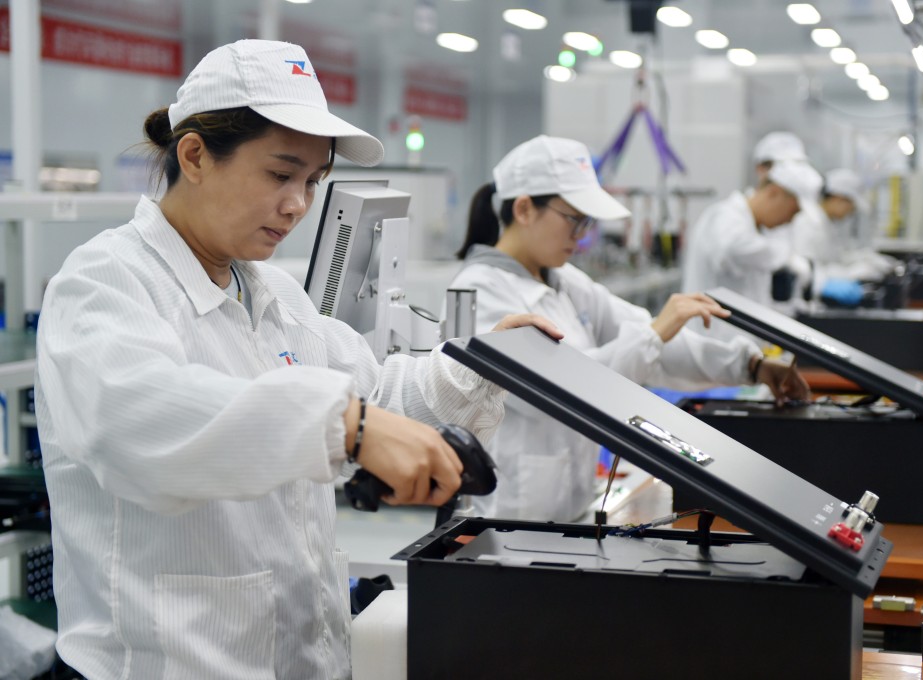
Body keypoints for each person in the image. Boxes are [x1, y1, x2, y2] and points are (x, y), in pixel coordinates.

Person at [34, 40, 558, 680]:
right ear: (195, 155)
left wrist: (479, 365)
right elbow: (142, 421)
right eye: (280, 175)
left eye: (312, 181)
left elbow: (379, 393)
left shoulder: (271, 291)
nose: (299, 205)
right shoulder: (105, 281)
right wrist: (344, 425)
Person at [447, 135, 809, 523]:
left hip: (566, 507)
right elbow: (560, 391)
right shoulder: (481, 291)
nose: (581, 234)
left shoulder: (565, 281)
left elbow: (651, 343)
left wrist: (748, 365)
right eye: (573, 219)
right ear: (523, 209)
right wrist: (654, 333)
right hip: (508, 515)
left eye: (586, 222)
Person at [681, 159, 824, 323]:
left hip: (740, 341)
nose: (790, 220)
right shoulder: (725, 216)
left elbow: (749, 297)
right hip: (712, 342)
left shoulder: (754, 227)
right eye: (793, 211)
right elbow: (731, 249)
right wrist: (785, 258)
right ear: (774, 192)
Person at [791, 168, 898, 305]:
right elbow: (806, 271)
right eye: (851, 205)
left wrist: (865, 258)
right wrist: (852, 273)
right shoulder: (807, 223)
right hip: (806, 300)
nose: (851, 212)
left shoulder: (828, 223)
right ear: (838, 197)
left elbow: (836, 258)